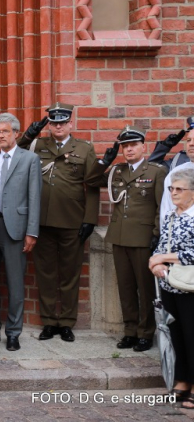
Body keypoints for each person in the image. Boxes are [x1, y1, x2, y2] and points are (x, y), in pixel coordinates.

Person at [17, 102, 100, 343]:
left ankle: (66, 322)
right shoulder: (37, 145)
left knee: (70, 274)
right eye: (54, 123)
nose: (58, 126)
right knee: (45, 273)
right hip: (41, 220)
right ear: (50, 126)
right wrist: (28, 134)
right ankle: (49, 322)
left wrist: (90, 219)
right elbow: (15, 153)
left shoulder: (84, 148)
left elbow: (93, 185)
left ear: (70, 124)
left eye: (62, 122)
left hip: (72, 220)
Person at [91, 127, 166, 352]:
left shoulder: (156, 171)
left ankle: (145, 333)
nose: (129, 149)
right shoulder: (117, 171)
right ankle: (130, 331)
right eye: (125, 146)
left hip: (143, 238)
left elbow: (162, 206)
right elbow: (92, 180)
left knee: (145, 289)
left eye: (133, 145)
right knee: (125, 287)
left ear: (144, 146)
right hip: (120, 236)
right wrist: (106, 160)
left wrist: (157, 234)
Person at [0, 113, 41, 351]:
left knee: (16, 282)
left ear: (16, 133)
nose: (1, 136)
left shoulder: (30, 159)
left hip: (16, 226)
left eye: (5, 131)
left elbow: (35, 197)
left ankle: (14, 332)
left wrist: (32, 232)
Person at [148, 167, 194, 409]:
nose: (174, 193)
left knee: (192, 336)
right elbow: (160, 246)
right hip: (169, 284)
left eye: (179, 189)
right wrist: (154, 262)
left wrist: (165, 258)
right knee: (176, 336)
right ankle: (183, 380)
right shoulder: (171, 216)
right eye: (171, 189)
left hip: (190, 287)